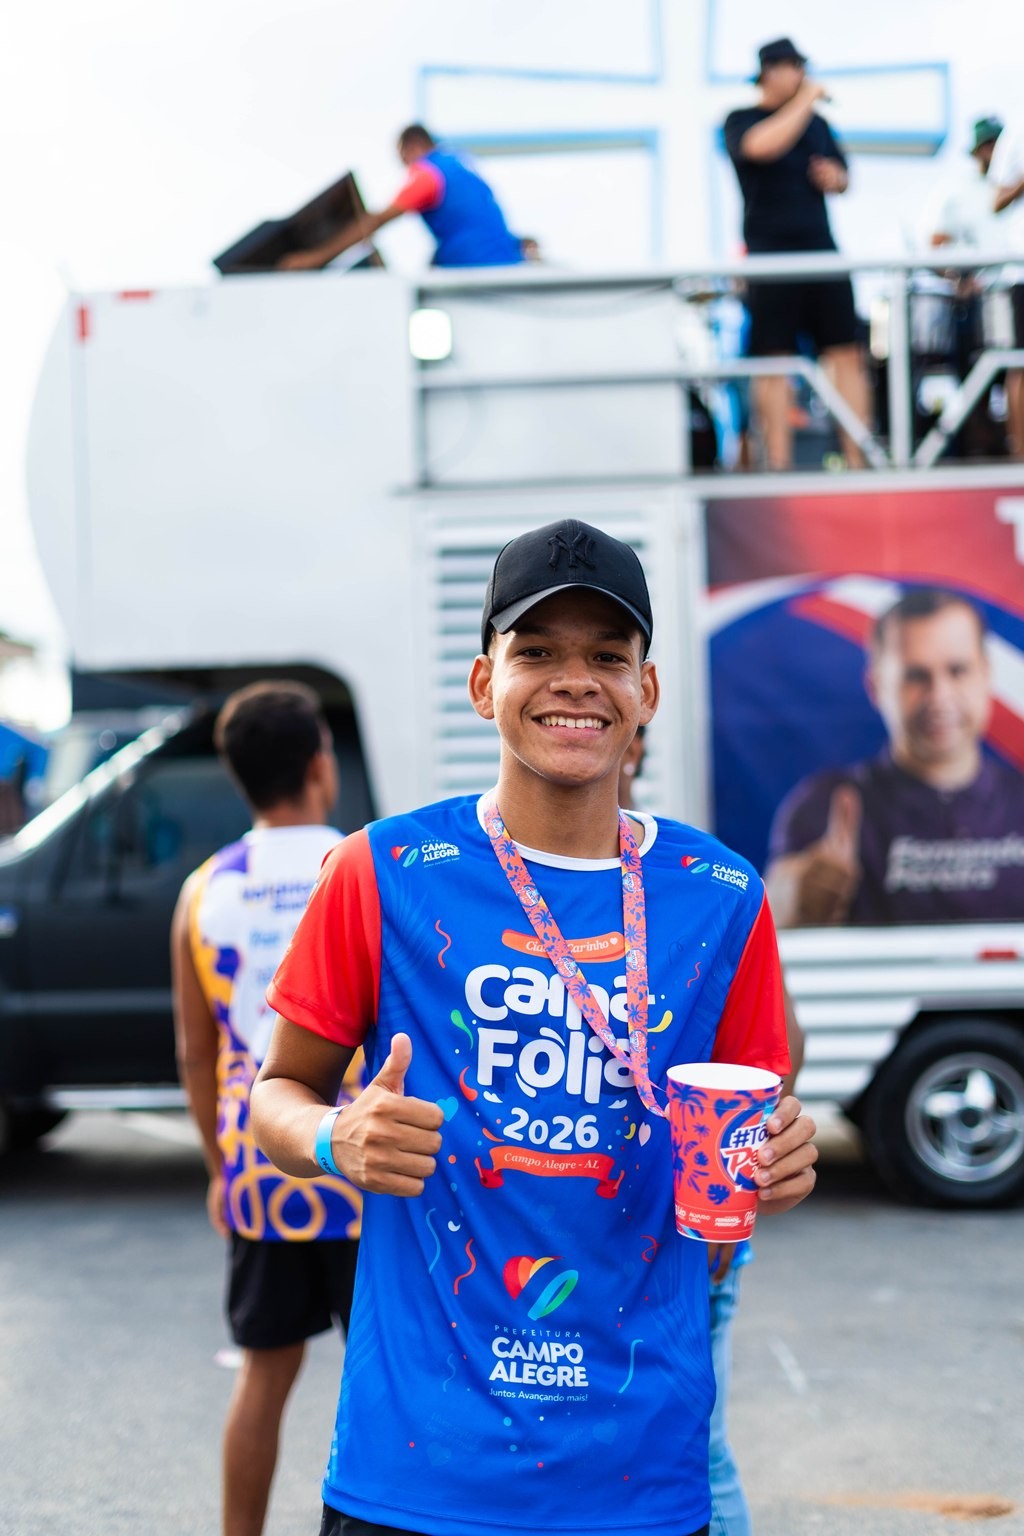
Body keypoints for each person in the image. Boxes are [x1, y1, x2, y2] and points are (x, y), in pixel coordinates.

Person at [251, 517, 818, 1536]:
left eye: (608, 656)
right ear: (485, 683)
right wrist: (337, 1137)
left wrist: (779, 1158)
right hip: (417, 1471)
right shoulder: (381, 871)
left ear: (647, 690)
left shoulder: (721, 894)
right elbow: (274, 1095)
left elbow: (755, 1123)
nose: (575, 682)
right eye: (538, 651)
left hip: (638, 1475)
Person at [172, 682, 363, 1536]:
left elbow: (196, 1051)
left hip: (261, 1169)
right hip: (361, 1162)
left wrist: (221, 1170)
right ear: (322, 766)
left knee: (263, 1375)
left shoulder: (205, 889)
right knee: (382, 1379)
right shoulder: (361, 866)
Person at [618, 728, 805, 1536]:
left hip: (692, 1230)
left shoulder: (701, 882)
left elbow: (778, 1050)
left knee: (696, 1448)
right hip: (579, 1241)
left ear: (635, 738)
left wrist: (762, 1143)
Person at [765, 587, 1024, 927]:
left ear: (986, 675)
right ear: (876, 687)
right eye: (916, 676)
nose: (940, 696)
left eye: (958, 670)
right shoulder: (827, 807)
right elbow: (773, 912)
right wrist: (797, 898)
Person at [723, 37, 871, 471]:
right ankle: (779, 464)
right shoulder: (741, 119)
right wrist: (805, 100)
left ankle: (857, 458)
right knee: (773, 359)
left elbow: (844, 177)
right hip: (770, 256)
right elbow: (759, 147)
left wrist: (834, 177)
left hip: (821, 251)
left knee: (846, 352)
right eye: (795, 68)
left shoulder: (817, 125)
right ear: (771, 71)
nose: (803, 76)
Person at [279, 124, 524, 272]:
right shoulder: (461, 167)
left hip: (476, 270)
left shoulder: (428, 174)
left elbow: (377, 220)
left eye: (403, 160)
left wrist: (315, 258)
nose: (406, 170)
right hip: (505, 263)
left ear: (413, 147)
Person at [923, 117, 1005, 459]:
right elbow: (935, 247)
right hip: (979, 303)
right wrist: (959, 278)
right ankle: (980, 448)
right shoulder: (957, 193)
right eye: (990, 145)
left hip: (1011, 291)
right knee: (977, 381)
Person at [990, 117, 1024, 457]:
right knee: (1022, 363)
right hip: (1022, 272)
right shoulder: (1017, 131)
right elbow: (996, 199)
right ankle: (1020, 453)